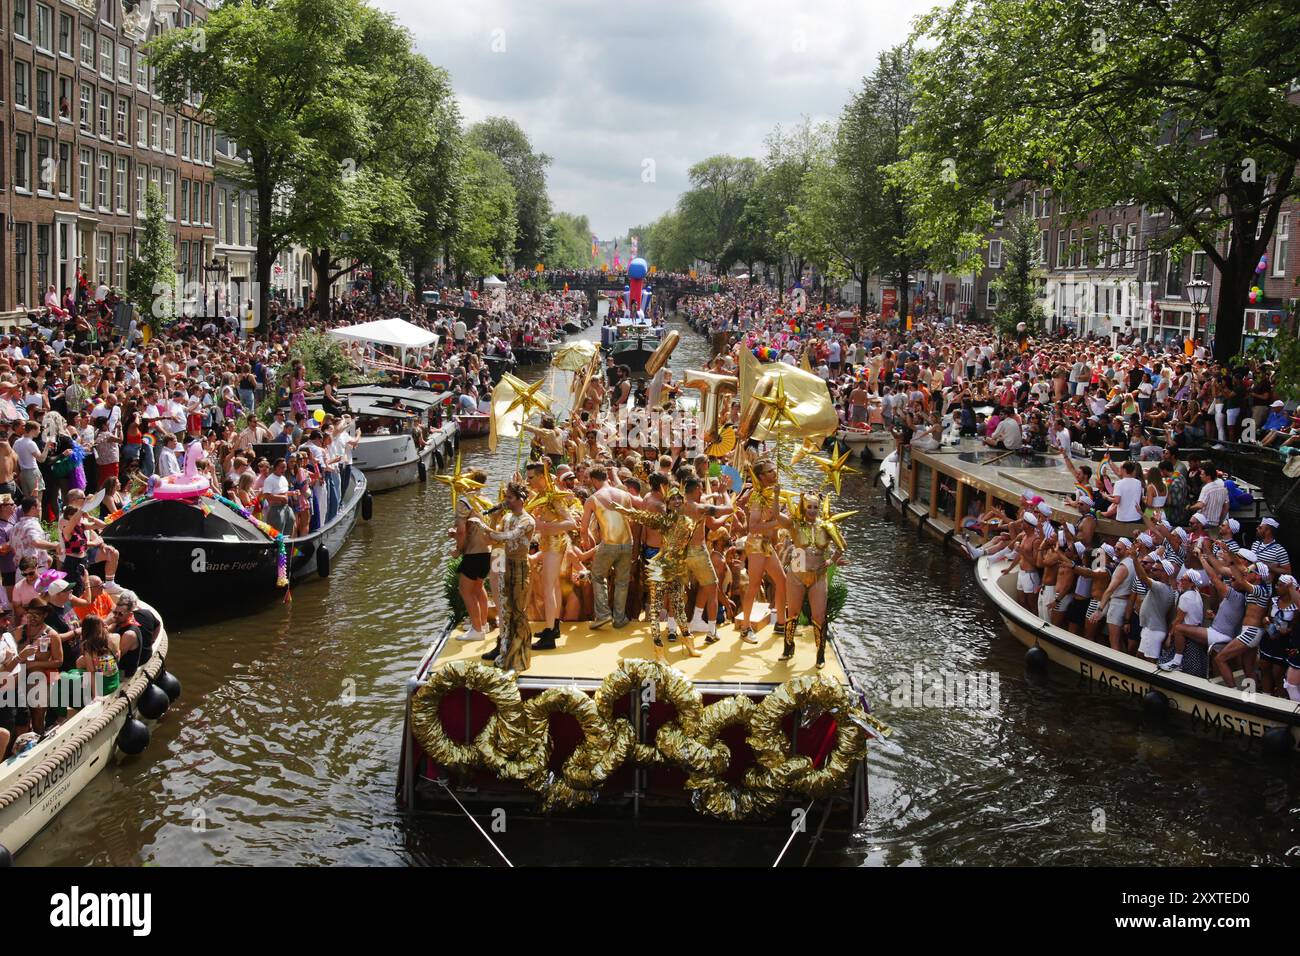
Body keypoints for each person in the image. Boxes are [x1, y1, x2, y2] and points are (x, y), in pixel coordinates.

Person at [478, 482, 535, 673]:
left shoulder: (528, 520)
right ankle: (505, 651)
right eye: (505, 497)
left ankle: (519, 656)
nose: (505, 501)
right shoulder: (508, 516)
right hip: (503, 563)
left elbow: (509, 537)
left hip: (519, 566)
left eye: (509, 497)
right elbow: (492, 540)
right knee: (505, 608)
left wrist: (482, 526)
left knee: (518, 611)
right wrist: (492, 520)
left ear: (520, 499)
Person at [582, 466, 634, 630]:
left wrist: (586, 541)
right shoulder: (625, 494)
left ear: (594, 480)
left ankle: (603, 614)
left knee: (597, 575)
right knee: (622, 581)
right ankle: (619, 618)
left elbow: (583, 528)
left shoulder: (592, 499)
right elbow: (631, 519)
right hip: (627, 542)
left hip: (609, 543)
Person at [453, 469, 492, 642]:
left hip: (473, 552)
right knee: (478, 587)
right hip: (486, 551)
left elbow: (462, 531)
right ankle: (483, 623)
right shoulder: (485, 499)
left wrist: (458, 549)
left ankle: (477, 629)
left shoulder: (464, 501)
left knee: (465, 590)